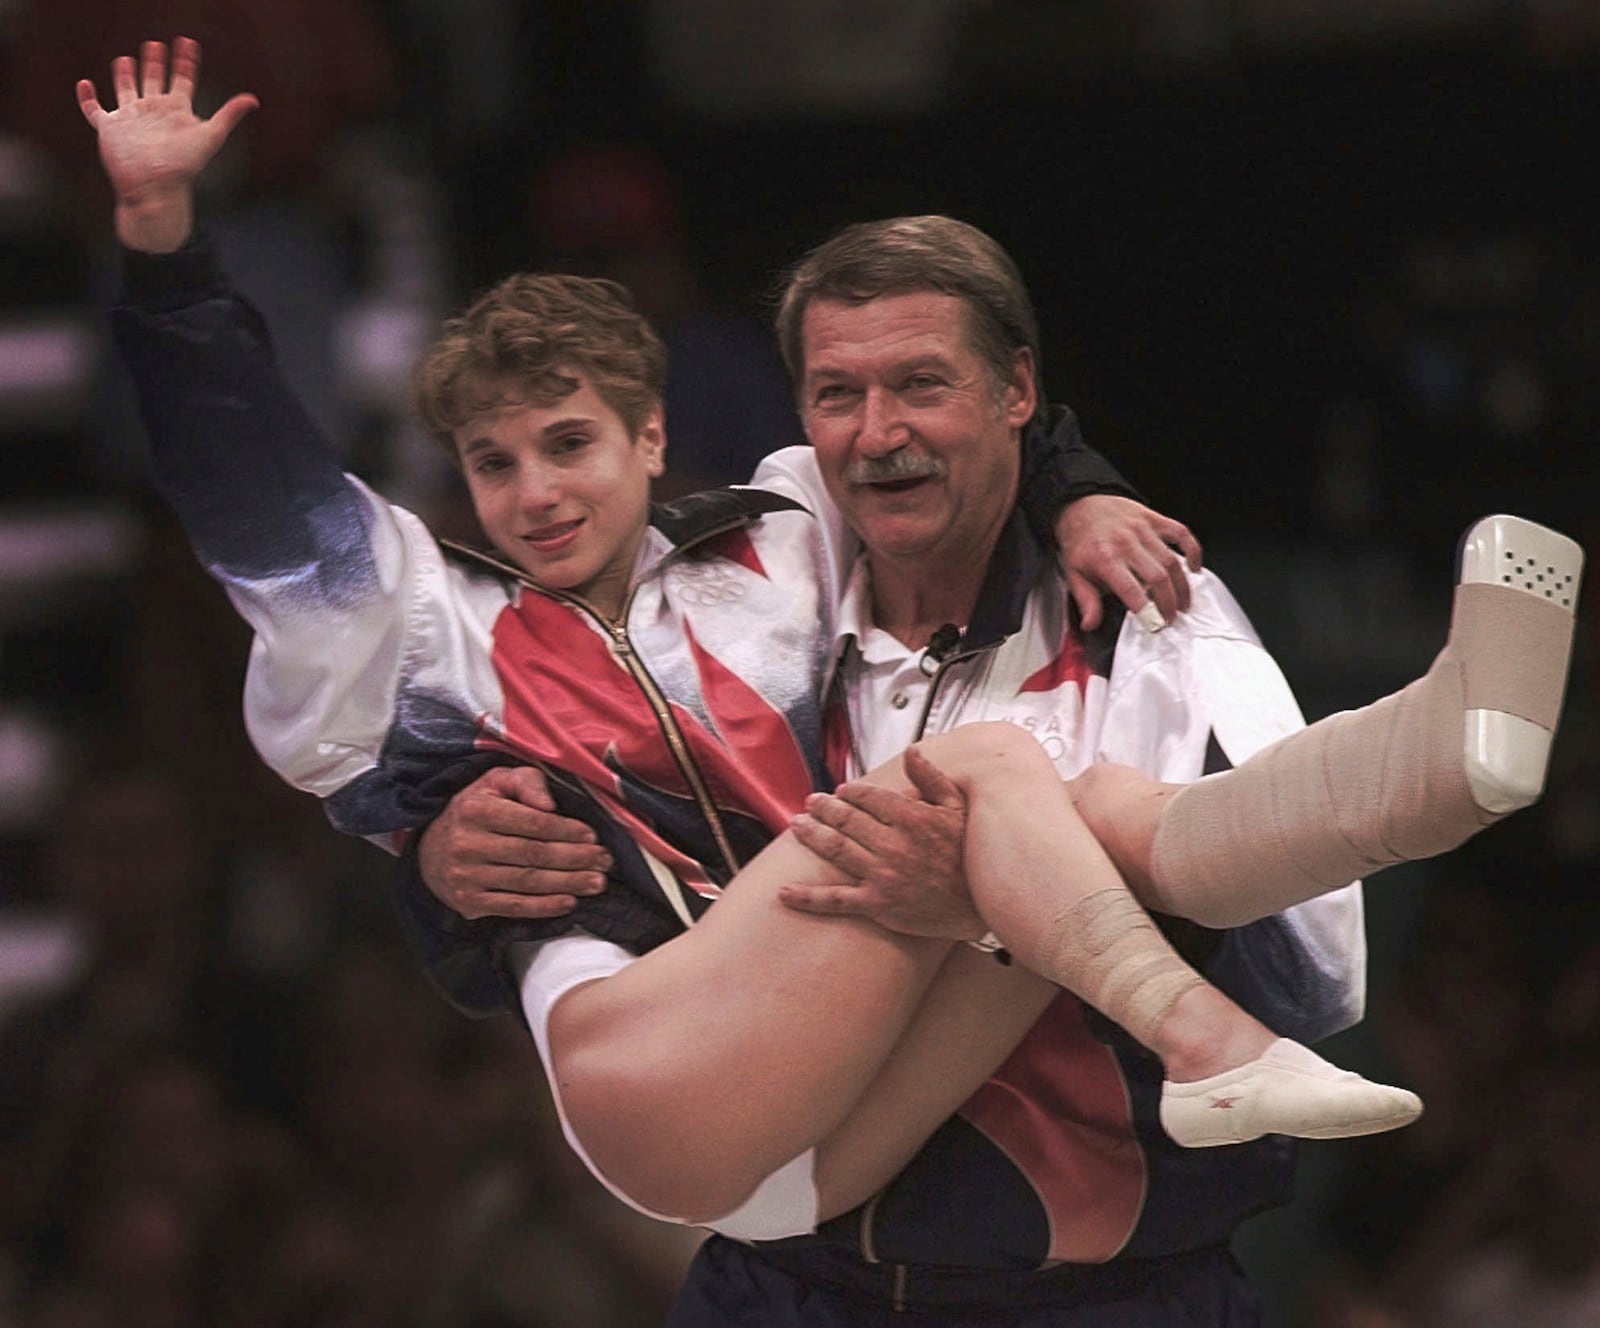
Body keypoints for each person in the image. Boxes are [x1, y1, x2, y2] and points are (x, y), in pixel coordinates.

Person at [85, 38, 1583, 1327]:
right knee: (996, 789)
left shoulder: (800, 560)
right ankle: (1382, 817)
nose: (539, 495)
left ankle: (1429, 772)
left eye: (572, 446)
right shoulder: (450, 623)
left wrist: (1073, 485)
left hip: (1037, 1234)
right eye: (496, 464)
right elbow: (260, 508)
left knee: (1037, 810)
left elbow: (1316, 968)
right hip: (717, 1145)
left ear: (659, 440)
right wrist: (166, 255)